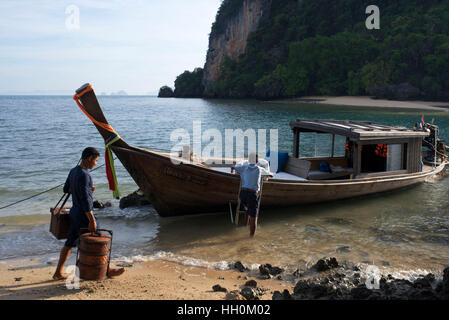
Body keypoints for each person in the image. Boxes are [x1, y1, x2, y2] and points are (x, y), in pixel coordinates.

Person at [53, 147, 124, 280]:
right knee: (99, 239)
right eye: (96, 160)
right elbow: (86, 201)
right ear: (89, 158)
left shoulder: (74, 171)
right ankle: (107, 269)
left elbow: (66, 189)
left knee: (69, 243)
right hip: (84, 215)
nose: (96, 163)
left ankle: (58, 272)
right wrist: (91, 219)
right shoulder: (85, 175)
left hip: (74, 213)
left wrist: (86, 190)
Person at [231, 152, 273, 237]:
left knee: (247, 211)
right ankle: (251, 239)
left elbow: (233, 167)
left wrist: (233, 170)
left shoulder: (243, 167)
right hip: (252, 194)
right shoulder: (259, 169)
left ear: (248, 160)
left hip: (242, 194)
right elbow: (270, 175)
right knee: (254, 218)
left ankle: (245, 225)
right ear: (257, 161)